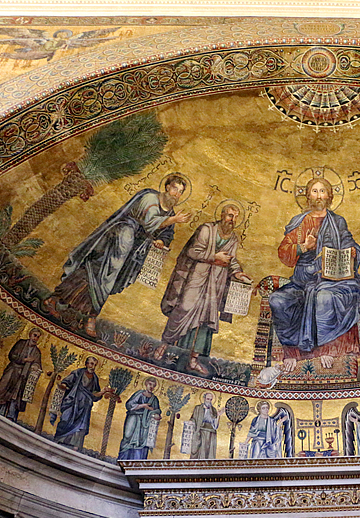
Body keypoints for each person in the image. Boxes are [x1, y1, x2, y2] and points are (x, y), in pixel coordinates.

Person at [49, 175, 191, 335]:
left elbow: (167, 234)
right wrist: (172, 220)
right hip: (119, 241)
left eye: (180, 192)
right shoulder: (150, 197)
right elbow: (148, 222)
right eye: (174, 189)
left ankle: (84, 317)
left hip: (133, 253)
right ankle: (57, 301)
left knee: (113, 279)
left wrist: (161, 241)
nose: (176, 194)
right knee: (98, 272)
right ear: (166, 187)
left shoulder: (170, 212)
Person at [269, 176, 360, 372]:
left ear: (329, 196)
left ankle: (327, 348)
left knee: (324, 297)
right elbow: (284, 253)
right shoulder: (299, 222)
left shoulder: (337, 221)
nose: (319, 195)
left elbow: (349, 243)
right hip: (302, 280)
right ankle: (292, 352)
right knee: (278, 300)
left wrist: (352, 251)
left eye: (322, 191)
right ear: (307, 196)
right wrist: (303, 247)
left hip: (332, 279)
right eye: (314, 191)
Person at [161, 202, 250, 374]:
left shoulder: (233, 239)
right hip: (197, 276)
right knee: (183, 308)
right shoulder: (207, 229)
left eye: (236, 217)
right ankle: (164, 346)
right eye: (230, 215)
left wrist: (238, 273)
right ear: (222, 214)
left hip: (216, 282)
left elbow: (231, 260)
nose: (232, 220)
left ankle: (193, 360)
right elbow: (193, 252)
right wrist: (214, 256)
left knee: (205, 322)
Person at [54, 356, 112, 451]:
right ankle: (59, 439)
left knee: (81, 427)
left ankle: (75, 446)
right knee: (66, 419)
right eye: (91, 364)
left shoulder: (95, 378)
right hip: (73, 401)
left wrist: (103, 391)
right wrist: (63, 385)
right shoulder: (78, 372)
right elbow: (67, 382)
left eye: (95, 365)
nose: (93, 367)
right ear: (86, 364)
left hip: (85, 405)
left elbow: (94, 395)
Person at [0, 327, 43, 421]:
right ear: (30, 335)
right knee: (3, 389)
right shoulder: (21, 343)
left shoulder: (37, 352)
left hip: (23, 377)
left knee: (16, 396)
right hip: (12, 371)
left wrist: (35, 367)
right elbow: (11, 355)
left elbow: (37, 363)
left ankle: (10, 415)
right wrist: (24, 360)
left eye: (38, 337)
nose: (35, 338)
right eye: (34, 335)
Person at [117, 377, 161, 460]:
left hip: (146, 424)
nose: (151, 387)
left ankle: (138, 462)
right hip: (134, 418)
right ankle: (122, 459)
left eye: (153, 385)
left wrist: (156, 415)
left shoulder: (154, 399)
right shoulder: (139, 394)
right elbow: (129, 405)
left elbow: (157, 410)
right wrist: (143, 406)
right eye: (150, 384)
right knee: (127, 437)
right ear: (146, 384)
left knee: (142, 442)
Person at [189, 391, 219, 459]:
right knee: (200, 450)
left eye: (211, 400)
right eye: (208, 399)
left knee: (208, 451)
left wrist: (218, 416)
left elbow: (215, 424)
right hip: (200, 431)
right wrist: (192, 422)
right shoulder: (198, 408)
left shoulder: (213, 410)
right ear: (204, 398)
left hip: (210, 433)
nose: (209, 401)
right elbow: (193, 418)